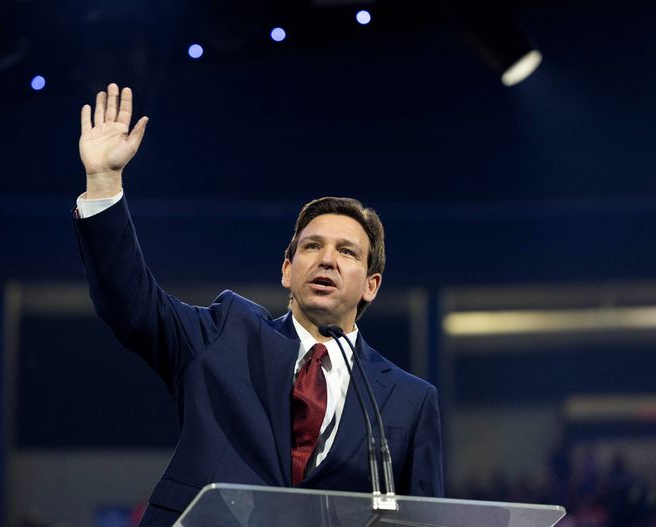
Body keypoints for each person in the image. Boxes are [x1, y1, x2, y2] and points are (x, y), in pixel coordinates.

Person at [74, 83, 443, 527]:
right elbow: (131, 305)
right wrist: (103, 182)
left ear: (371, 285)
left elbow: (424, 520)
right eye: (311, 247)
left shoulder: (410, 400)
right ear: (287, 269)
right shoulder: (226, 333)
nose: (327, 258)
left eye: (347, 252)